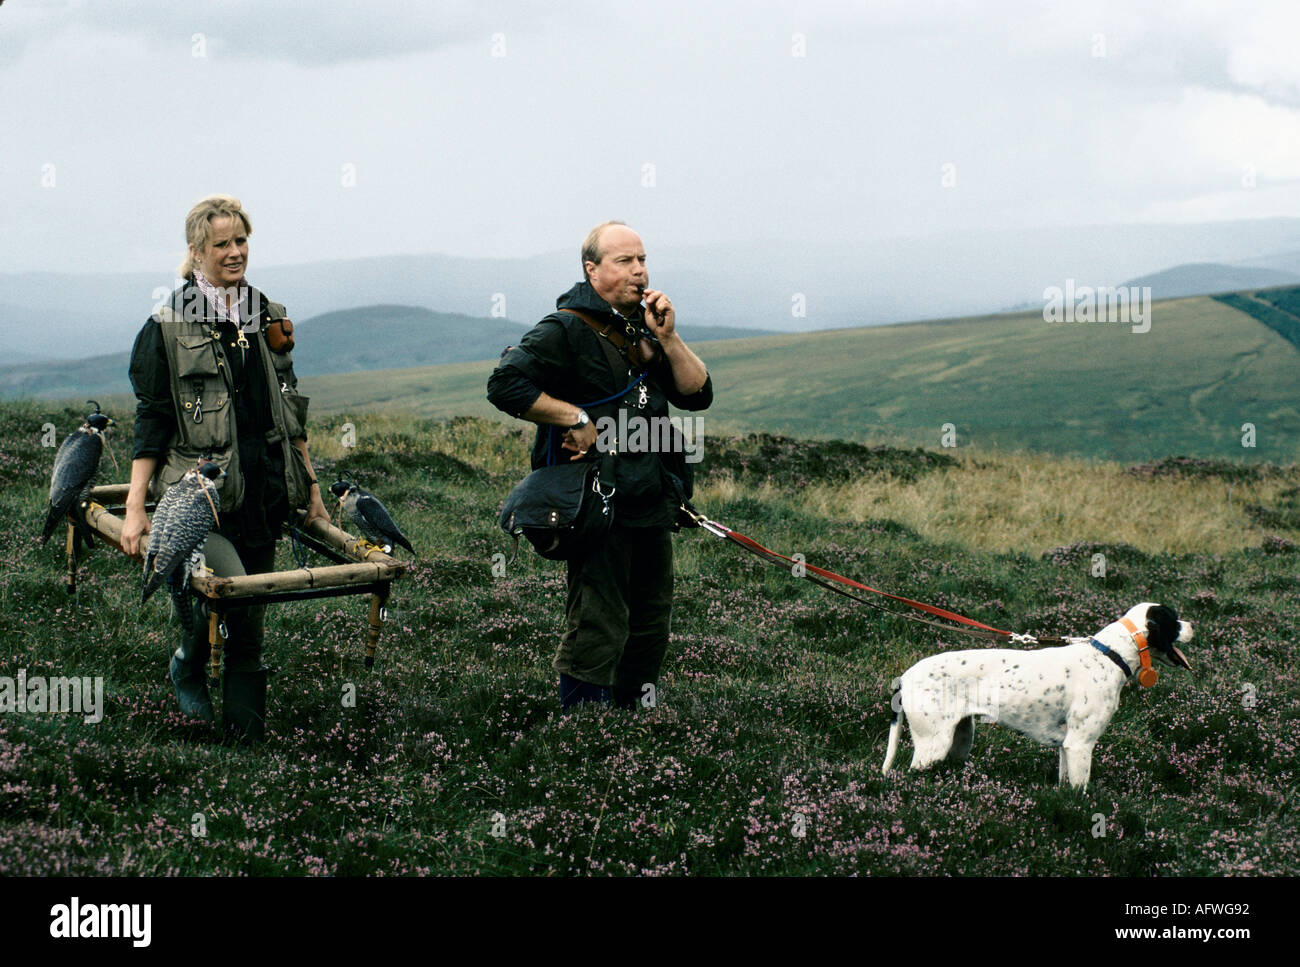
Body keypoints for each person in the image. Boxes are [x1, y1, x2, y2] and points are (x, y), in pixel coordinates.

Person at [121, 195, 329, 741]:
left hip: (263, 492)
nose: (235, 253)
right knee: (230, 591)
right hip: (201, 498)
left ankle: (245, 741)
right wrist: (136, 507)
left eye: (241, 241)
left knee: (251, 618)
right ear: (196, 251)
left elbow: (290, 407)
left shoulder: (266, 312)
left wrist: (310, 487)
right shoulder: (167, 324)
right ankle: (188, 662)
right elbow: (153, 421)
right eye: (223, 244)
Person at [487, 221, 712, 710]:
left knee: (651, 620)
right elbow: (504, 384)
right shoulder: (565, 327)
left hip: (653, 499)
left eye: (642, 259)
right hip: (597, 502)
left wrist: (669, 339)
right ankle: (586, 732)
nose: (639, 271)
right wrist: (575, 416)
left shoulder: (645, 325)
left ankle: (635, 722)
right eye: (624, 261)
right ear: (592, 269)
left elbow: (698, 395)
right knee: (599, 619)